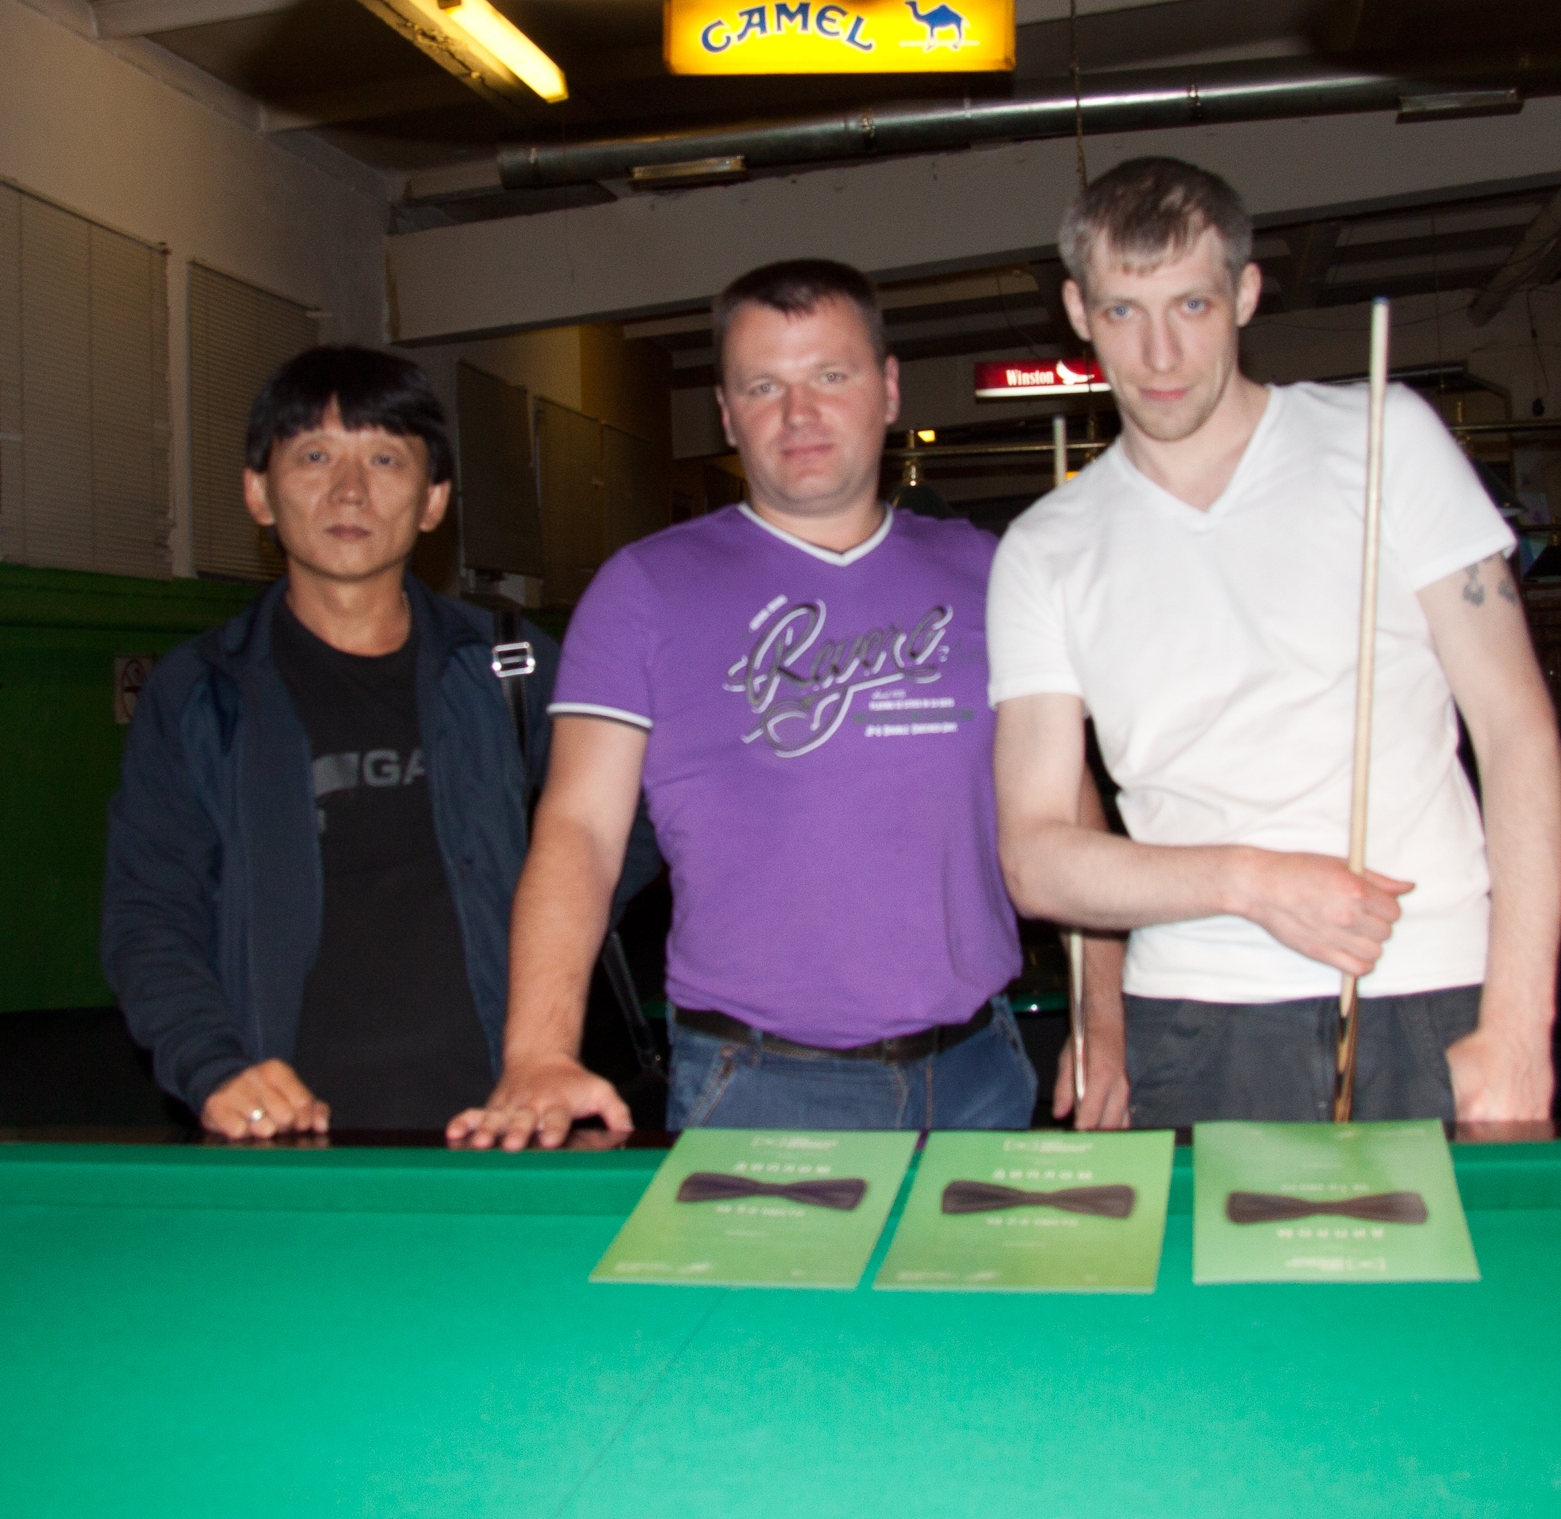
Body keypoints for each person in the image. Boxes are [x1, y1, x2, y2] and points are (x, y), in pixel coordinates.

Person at [456, 258, 1128, 1150]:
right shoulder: (644, 591)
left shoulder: (992, 573)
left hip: (980, 1075)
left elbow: (1069, 809)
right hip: (761, 1092)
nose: (799, 413)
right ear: (727, 413)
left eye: (831, 376)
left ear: (889, 390)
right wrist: (539, 1050)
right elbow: (579, 830)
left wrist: (1105, 1016)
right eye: (763, 386)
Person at [988, 157, 1561, 1126]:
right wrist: (1253, 883)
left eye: (1192, 305)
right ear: (1079, 312)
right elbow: (1036, 860)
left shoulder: (1386, 438)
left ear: (1247, 293)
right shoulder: (1044, 548)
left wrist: (1518, 1025)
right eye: (1125, 311)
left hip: (1423, 987)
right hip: (1194, 1014)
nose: (1161, 355)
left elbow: (1518, 735)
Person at [103, 346, 641, 1137]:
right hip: (283, 1132)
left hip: (505, 1118)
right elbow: (150, 912)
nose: (349, 489)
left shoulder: (509, 665)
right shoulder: (201, 692)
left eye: (385, 458)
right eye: (314, 456)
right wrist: (211, 1065)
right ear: (258, 492)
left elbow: (632, 822)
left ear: (433, 500)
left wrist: (546, 927)